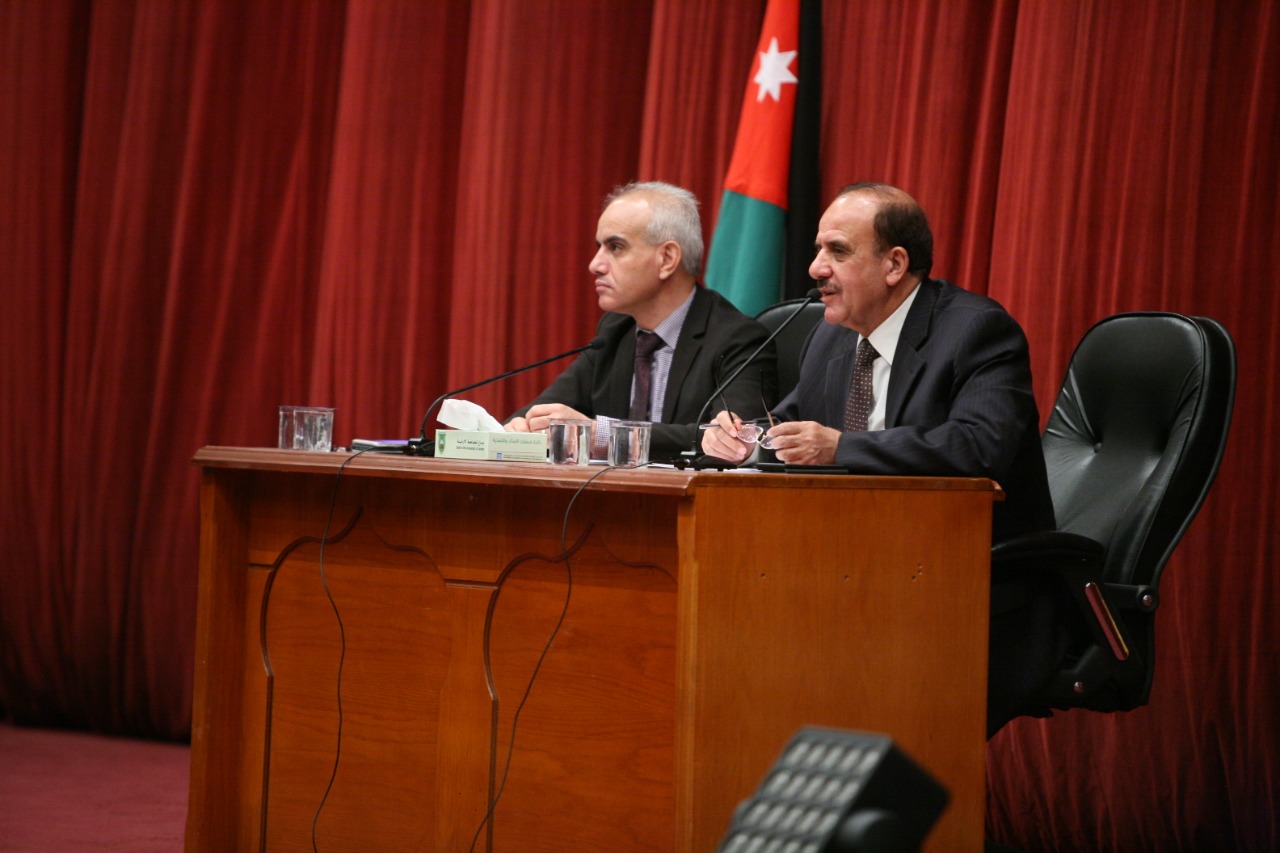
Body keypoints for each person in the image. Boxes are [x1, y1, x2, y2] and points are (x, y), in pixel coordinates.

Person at [701, 181, 1060, 736]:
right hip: (853, 572)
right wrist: (744, 438)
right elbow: (790, 424)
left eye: (838, 251)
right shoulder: (832, 338)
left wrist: (841, 447)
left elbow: (981, 445)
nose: (816, 268)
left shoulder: (975, 330)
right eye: (818, 250)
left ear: (895, 264)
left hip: (963, 583)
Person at [507, 181, 776, 461]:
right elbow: (541, 413)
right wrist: (521, 429)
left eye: (616, 247)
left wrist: (603, 434)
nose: (595, 265)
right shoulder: (615, 331)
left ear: (667, 259)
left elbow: (733, 440)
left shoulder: (738, 340)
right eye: (600, 247)